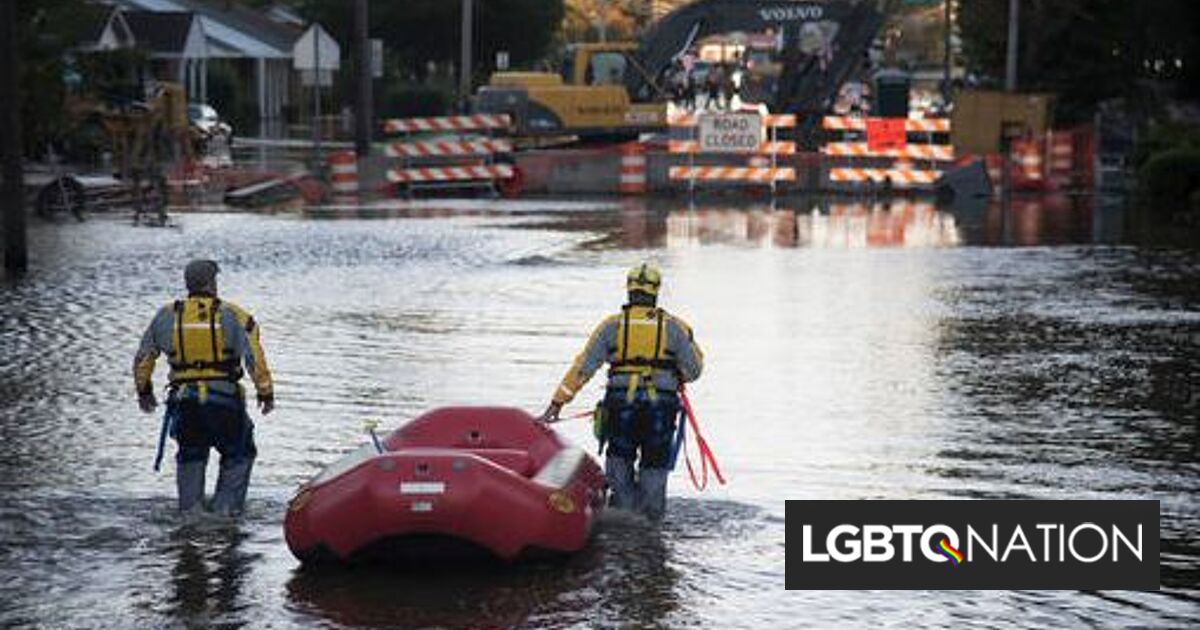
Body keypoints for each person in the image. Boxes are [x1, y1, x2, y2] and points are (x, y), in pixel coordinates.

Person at [537, 263, 703, 521]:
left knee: (619, 460)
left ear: (629, 290)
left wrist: (557, 403)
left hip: (621, 406)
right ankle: (649, 526)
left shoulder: (611, 326)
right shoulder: (676, 328)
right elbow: (694, 370)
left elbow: (583, 367)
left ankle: (622, 521)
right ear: (655, 292)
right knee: (655, 465)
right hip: (660, 408)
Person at [133, 259, 274, 516]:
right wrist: (266, 392)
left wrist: (144, 391)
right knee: (239, 454)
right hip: (224, 402)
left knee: (191, 455)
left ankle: (190, 515)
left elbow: (144, 358)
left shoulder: (166, 315)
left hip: (185, 403)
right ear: (212, 283)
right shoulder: (234, 314)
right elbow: (254, 357)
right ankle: (225, 515)